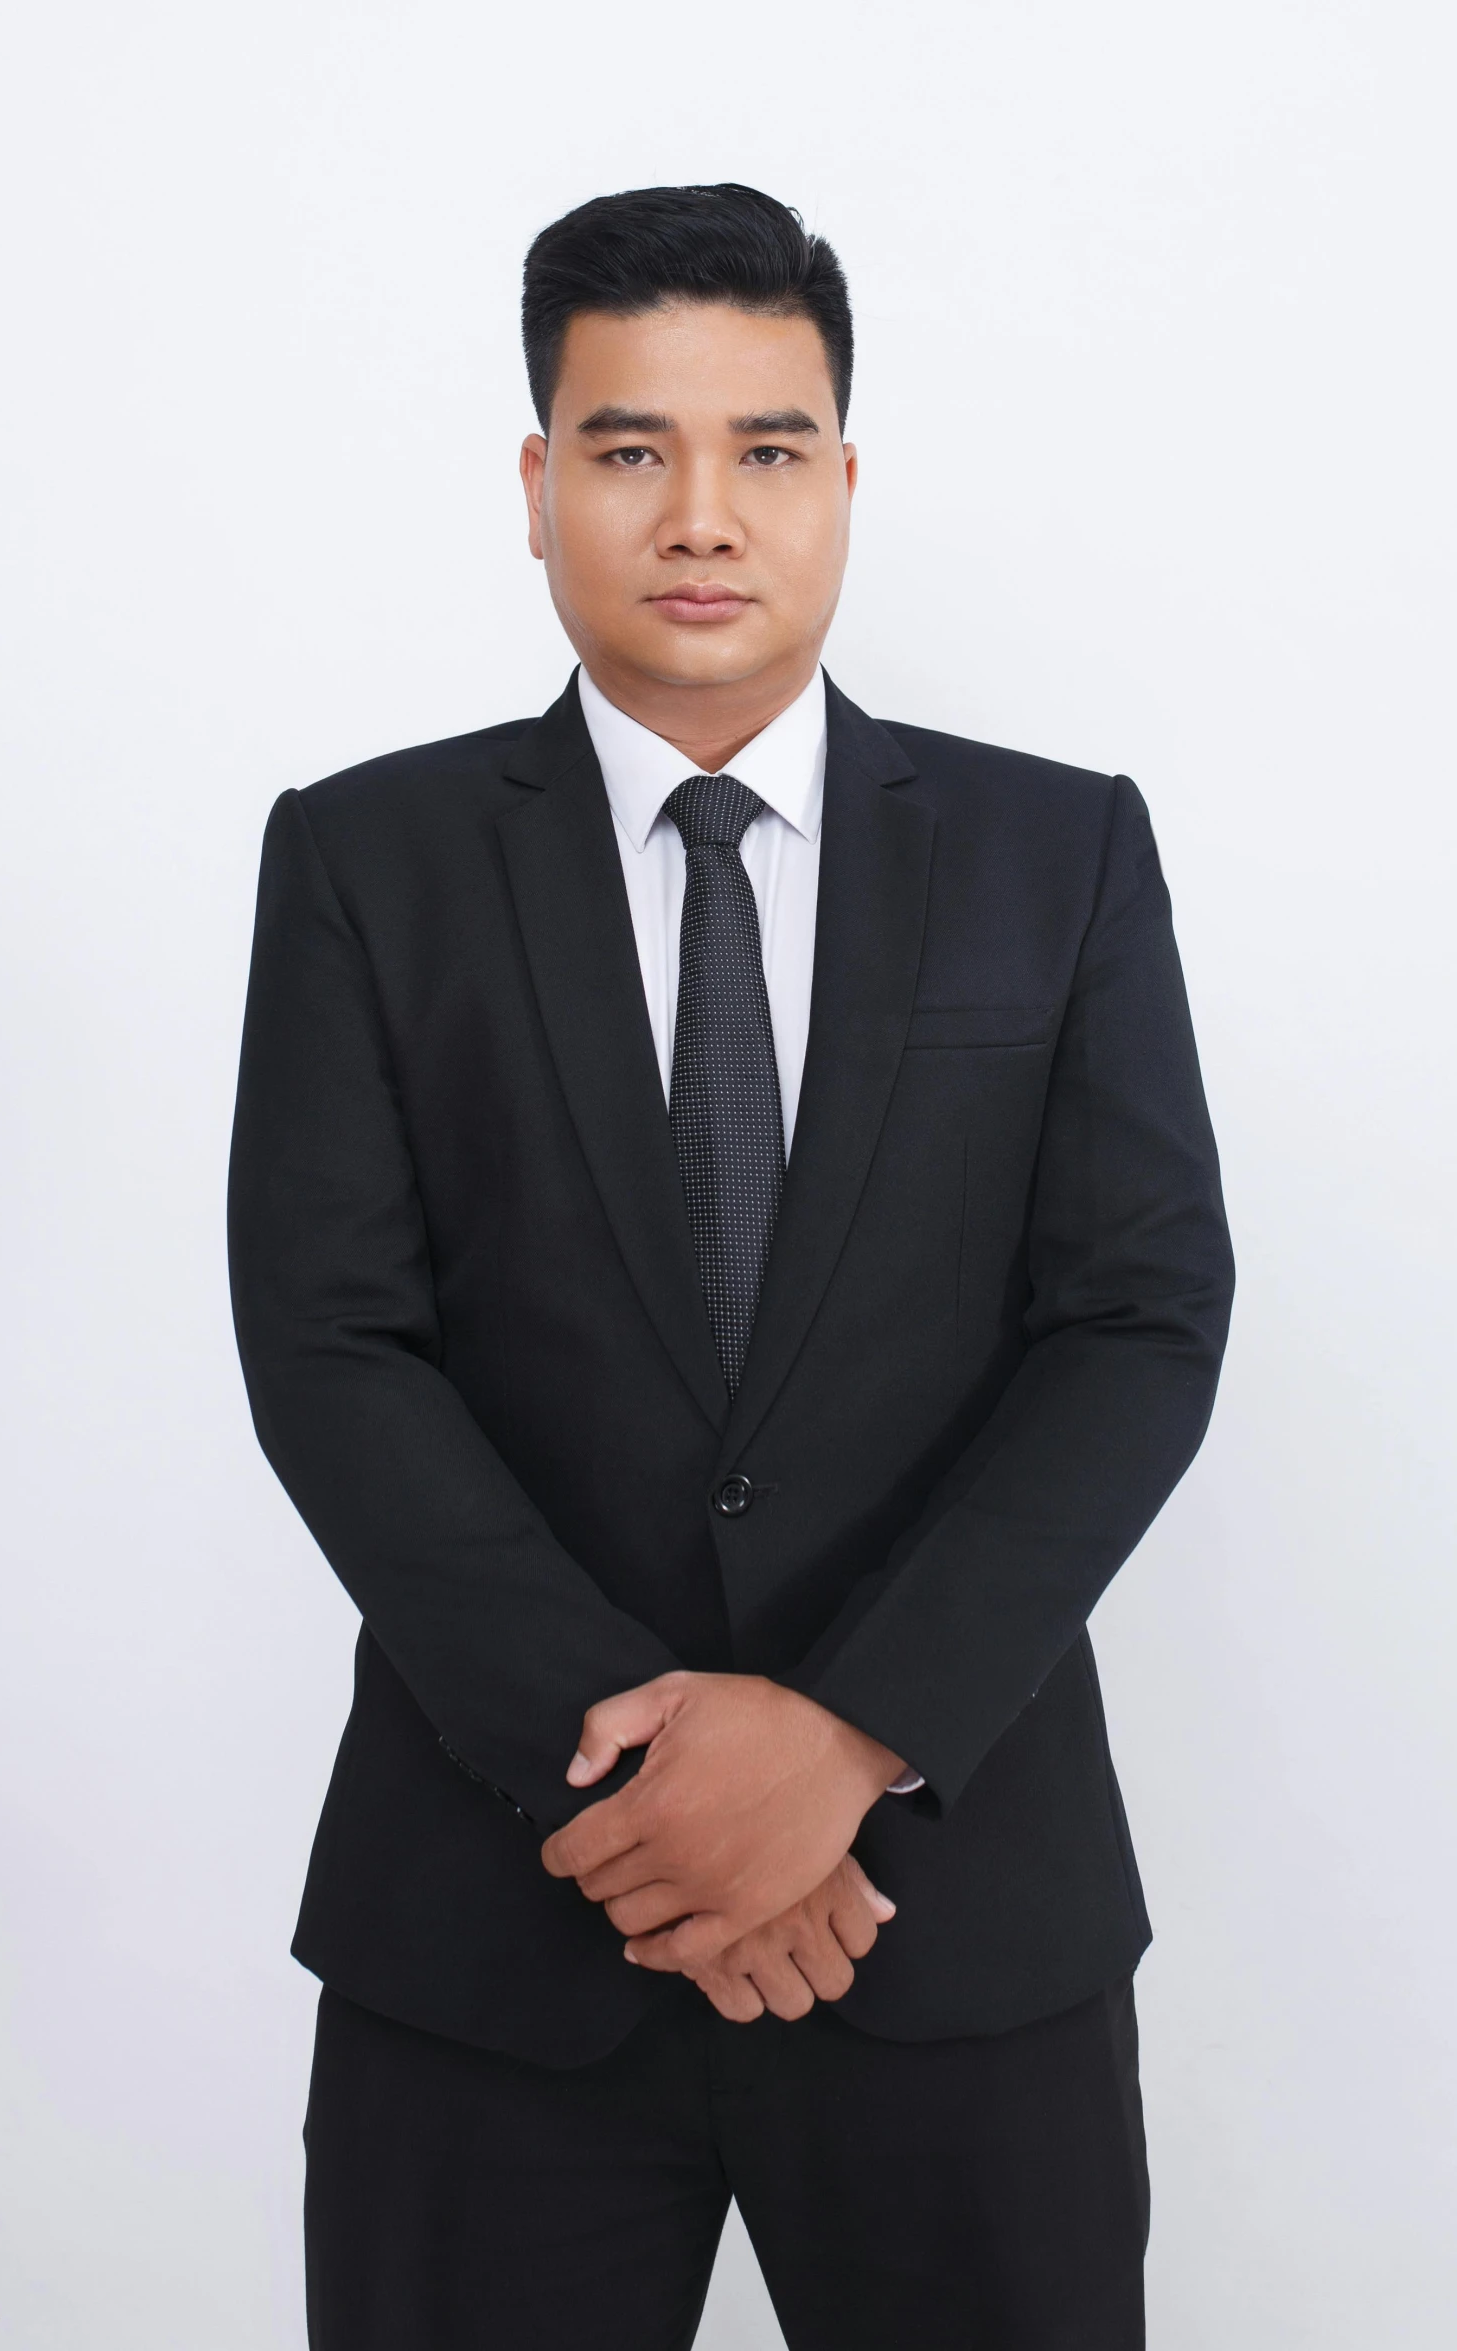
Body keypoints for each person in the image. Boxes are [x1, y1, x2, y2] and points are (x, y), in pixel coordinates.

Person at [227, 181, 1233, 2351]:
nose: (703, 511)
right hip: (493, 1938)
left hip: (955, 1927)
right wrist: (643, 1780)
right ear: (536, 483)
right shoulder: (363, 861)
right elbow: (330, 1338)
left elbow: (1138, 1318)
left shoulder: (1058, 853)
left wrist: (849, 1730)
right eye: (628, 446)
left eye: (767, 447)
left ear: (844, 482)